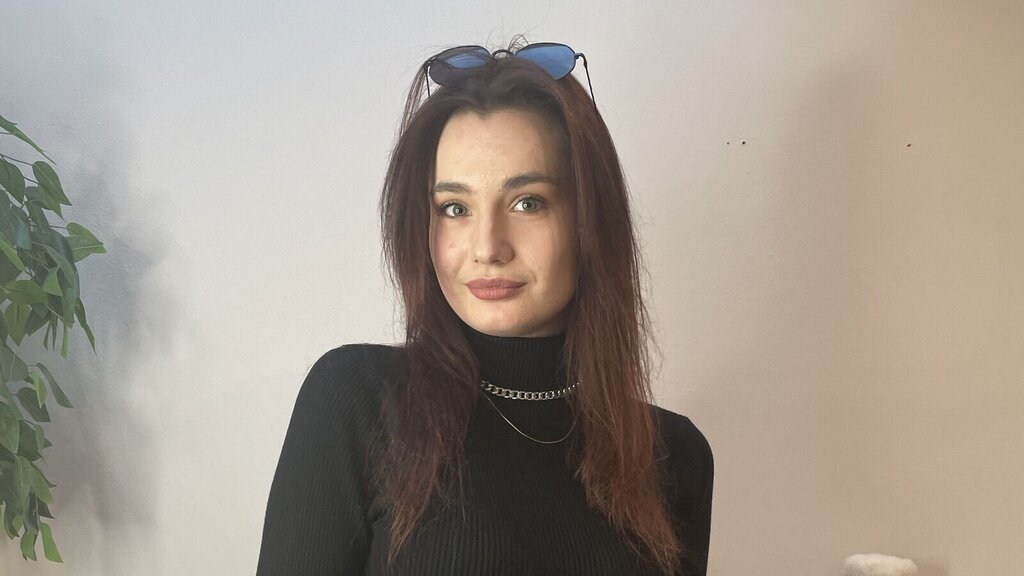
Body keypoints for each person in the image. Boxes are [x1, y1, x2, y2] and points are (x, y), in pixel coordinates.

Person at [255, 36, 714, 576]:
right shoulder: (359, 400)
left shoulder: (673, 455)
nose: (488, 247)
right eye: (454, 208)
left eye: (527, 202)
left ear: (590, 219)